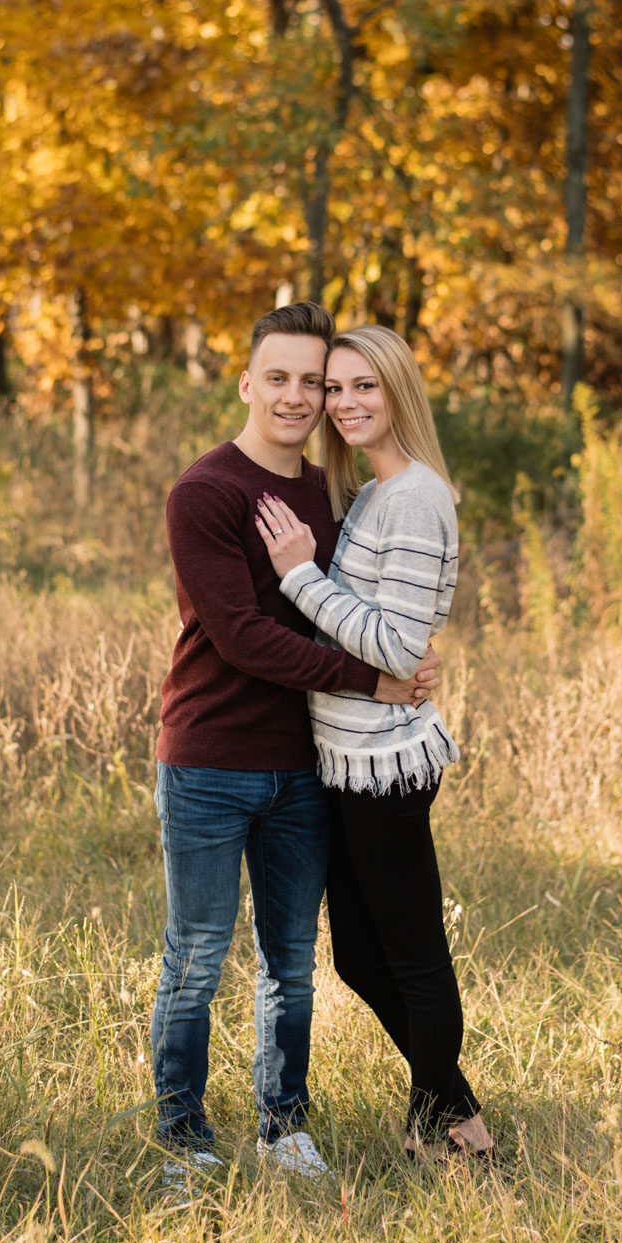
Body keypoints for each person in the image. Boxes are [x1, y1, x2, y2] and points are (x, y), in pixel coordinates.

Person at [150, 302, 441, 1181]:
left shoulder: (331, 494)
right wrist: (374, 678)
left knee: (292, 964)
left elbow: (369, 608)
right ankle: (183, 1137)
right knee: (197, 957)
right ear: (246, 383)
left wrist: (407, 650)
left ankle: (285, 1127)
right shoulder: (206, 492)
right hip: (207, 759)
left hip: (305, 766)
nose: (294, 396)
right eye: (276, 377)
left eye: (310, 383)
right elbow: (239, 636)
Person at [254, 323, 493, 1161]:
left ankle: (440, 1126)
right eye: (334, 388)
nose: (343, 403)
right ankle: (457, 1113)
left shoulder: (414, 496)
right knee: (359, 955)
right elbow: (391, 637)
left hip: (385, 763)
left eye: (365, 387)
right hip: (351, 757)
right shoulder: (373, 494)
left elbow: (394, 646)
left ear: (397, 394)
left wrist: (299, 576)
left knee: (413, 954)